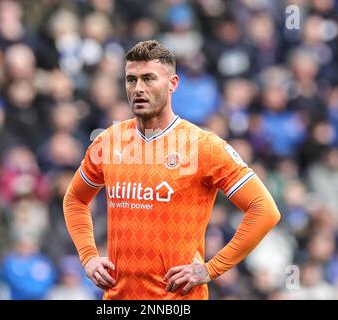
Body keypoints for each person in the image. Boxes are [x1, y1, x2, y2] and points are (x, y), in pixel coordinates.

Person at [63, 40, 281, 300]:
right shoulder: (107, 142)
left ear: (173, 84)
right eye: (131, 80)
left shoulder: (203, 146)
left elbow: (264, 210)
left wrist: (211, 269)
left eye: (148, 79)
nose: (138, 88)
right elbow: (75, 199)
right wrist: (88, 256)